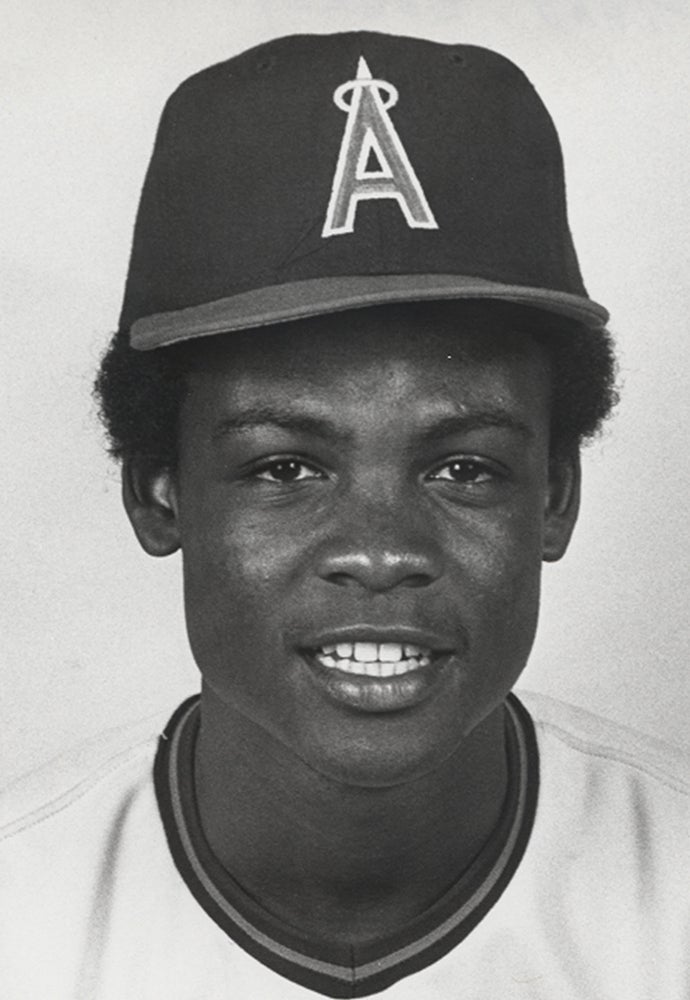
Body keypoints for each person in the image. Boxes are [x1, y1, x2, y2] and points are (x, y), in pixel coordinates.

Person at [1, 31, 687, 1000]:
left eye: (463, 466)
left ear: (556, 497)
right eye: (285, 465)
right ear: (158, 490)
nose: (379, 550)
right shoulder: (18, 917)